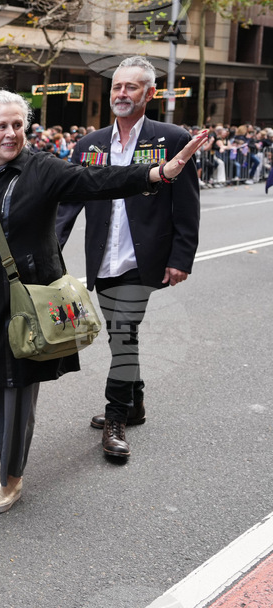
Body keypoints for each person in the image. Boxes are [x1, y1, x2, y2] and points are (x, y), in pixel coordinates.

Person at [0, 89, 206, 514]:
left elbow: (98, 181)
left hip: (23, 302)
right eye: (1, 126)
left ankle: (10, 479)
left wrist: (158, 173)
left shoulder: (44, 170)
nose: (11, 134)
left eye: (18, 125)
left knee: (12, 395)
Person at [55, 56, 201, 460]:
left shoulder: (171, 139)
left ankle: (115, 417)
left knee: (123, 335)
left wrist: (181, 257)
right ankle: (134, 402)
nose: (121, 93)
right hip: (103, 259)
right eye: (117, 86)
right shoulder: (90, 144)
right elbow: (69, 203)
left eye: (131, 87)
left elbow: (187, 205)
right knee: (120, 336)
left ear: (149, 94)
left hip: (144, 258)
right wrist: (48, 249)